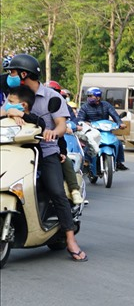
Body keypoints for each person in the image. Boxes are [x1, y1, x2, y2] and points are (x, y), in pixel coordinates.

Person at [3, 54, 87, 261]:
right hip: (16, 149)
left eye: (13, 72)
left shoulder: (51, 97)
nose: (10, 76)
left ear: (24, 74)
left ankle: (70, 239)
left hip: (46, 151)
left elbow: (60, 124)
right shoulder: (13, 93)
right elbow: (4, 110)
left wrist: (54, 133)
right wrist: (10, 112)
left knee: (57, 191)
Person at [78, 87, 128, 170]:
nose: (89, 98)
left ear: (98, 97)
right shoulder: (85, 107)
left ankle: (119, 162)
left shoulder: (106, 105)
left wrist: (120, 123)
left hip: (105, 130)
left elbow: (115, 115)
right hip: (91, 131)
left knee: (118, 142)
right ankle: (86, 162)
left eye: (91, 96)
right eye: (88, 96)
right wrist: (84, 123)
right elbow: (80, 118)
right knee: (89, 143)